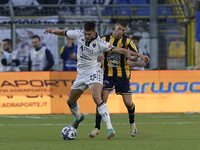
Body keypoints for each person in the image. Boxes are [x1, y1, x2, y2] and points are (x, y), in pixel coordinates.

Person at [43, 21, 149, 139]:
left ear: (94, 33)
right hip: (81, 74)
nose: (86, 36)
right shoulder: (79, 34)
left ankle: (110, 128)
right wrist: (53, 31)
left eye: (89, 34)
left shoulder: (100, 43)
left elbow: (119, 50)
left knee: (97, 97)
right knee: (70, 102)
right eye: (85, 33)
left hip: (95, 72)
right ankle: (78, 117)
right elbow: (63, 32)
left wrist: (139, 56)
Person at [88, 19, 149, 138]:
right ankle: (97, 127)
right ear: (115, 26)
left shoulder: (127, 41)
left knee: (128, 102)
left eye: (123, 30)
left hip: (122, 75)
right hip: (107, 75)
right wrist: (98, 57)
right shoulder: (104, 39)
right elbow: (95, 52)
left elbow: (136, 57)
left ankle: (132, 123)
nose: (120, 32)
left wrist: (131, 57)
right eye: (119, 28)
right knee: (102, 99)